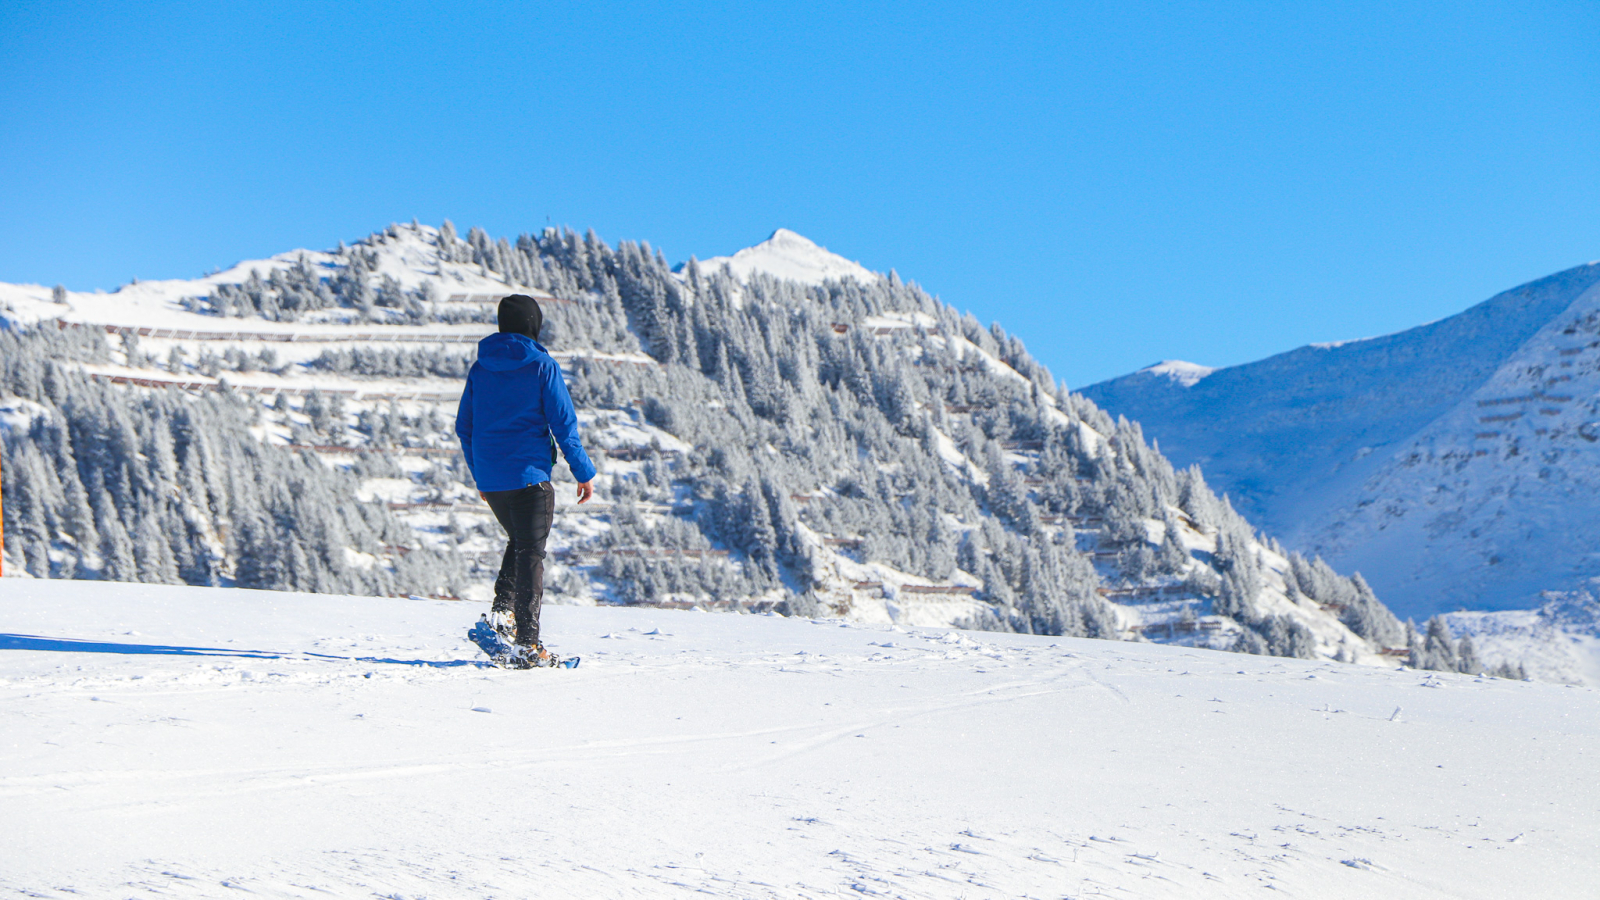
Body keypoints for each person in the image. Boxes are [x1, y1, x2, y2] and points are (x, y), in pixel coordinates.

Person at [455, 294, 596, 665]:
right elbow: (563, 425)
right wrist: (584, 473)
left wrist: (481, 476)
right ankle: (526, 644)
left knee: (520, 543)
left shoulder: (480, 369)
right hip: (530, 479)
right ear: (535, 324)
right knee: (531, 555)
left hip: (493, 480)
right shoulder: (542, 366)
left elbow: (464, 427)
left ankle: (502, 618)